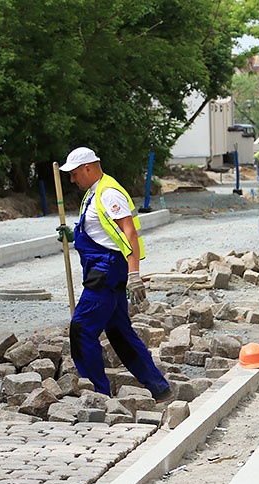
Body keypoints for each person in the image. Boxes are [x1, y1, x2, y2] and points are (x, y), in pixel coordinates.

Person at [58, 147, 172, 402]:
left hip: (106, 271)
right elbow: (100, 231)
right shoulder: (94, 192)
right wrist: (72, 236)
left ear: (88, 168)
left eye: (75, 174)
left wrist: (134, 274)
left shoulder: (109, 193)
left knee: (82, 329)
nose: (72, 179)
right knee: (120, 333)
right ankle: (159, 388)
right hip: (105, 267)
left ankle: (97, 393)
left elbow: (129, 232)